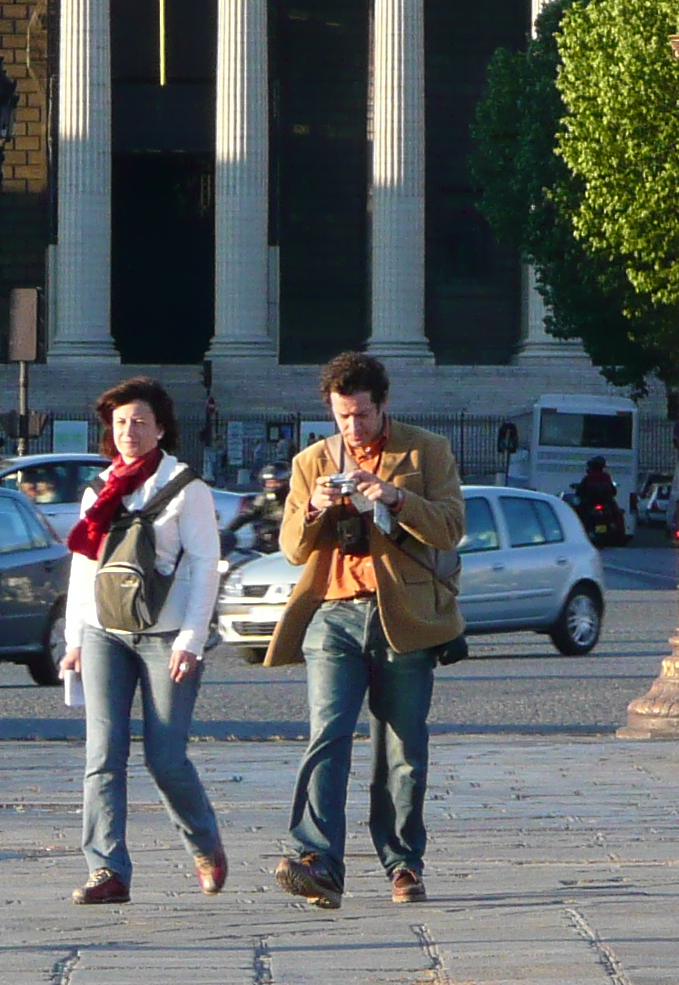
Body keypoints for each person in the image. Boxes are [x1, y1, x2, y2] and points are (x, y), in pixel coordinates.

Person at [263, 351, 465, 909]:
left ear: (383, 405)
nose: (353, 428)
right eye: (342, 416)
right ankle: (317, 860)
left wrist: (395, 495)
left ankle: (403, 864)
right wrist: (313, 509)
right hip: (333, 615)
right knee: (326, 735)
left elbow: (451, 527)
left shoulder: (426, 450)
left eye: (363, 416)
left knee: (400, 749)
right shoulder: (311, 462)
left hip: (403, 613)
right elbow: (291, 549)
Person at [57, 378, 227, 906]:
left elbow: (205, 567)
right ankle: (107, 870)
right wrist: (74, 638)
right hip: (104, 632)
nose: (129, 432)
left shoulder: (186, 488)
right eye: (120, 423)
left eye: (140, 422)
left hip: (168, 636)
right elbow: (85, 568)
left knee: (165, 757)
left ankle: (204, 845)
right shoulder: (99, 488)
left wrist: (192, 640)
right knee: (102, 754)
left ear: (160, 429)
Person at [569, 458, 624, 547]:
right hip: (604, 503)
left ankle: (578, 531)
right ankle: (619, 532)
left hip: (591, 503)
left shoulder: (588, 478)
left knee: (578, 515)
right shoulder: (606, 476)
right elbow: (613, 491)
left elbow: (579, 492)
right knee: (617, 514)